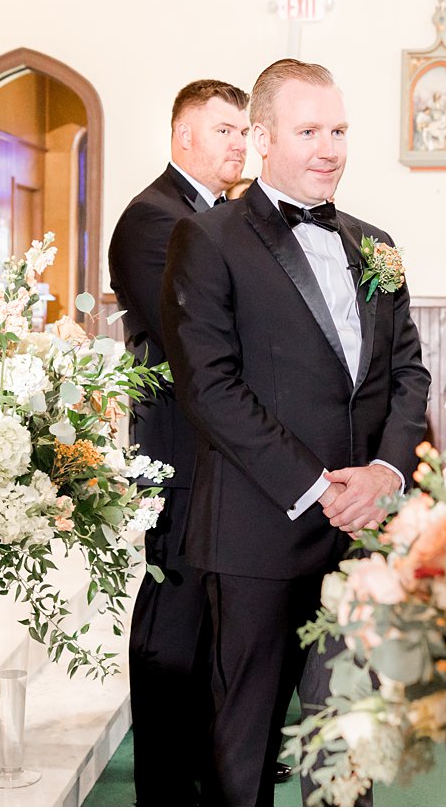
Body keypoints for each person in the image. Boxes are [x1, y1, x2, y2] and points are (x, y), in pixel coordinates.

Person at [161, 59, 430, 806]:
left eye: (339, 129)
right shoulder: (207, 238)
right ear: (263, 137)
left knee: (348, 740)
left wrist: (385, 473)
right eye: (309, 130)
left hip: (363, 532)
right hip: (258, 529)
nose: (329, 147)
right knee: (240, 747)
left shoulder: (376, 245)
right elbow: (209, 387)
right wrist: (316, 486)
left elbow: (407, 374)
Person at [109, 78, 249, 806]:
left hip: (220, 447)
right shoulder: (152, 218)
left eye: (242, 131)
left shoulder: (220, 216)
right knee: (174, 610)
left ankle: (204, 759)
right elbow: (189, 334)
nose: (238, 143)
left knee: (212, 615)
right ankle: (163, 781)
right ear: (184, 135)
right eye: (224, 129)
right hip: (179, 445)